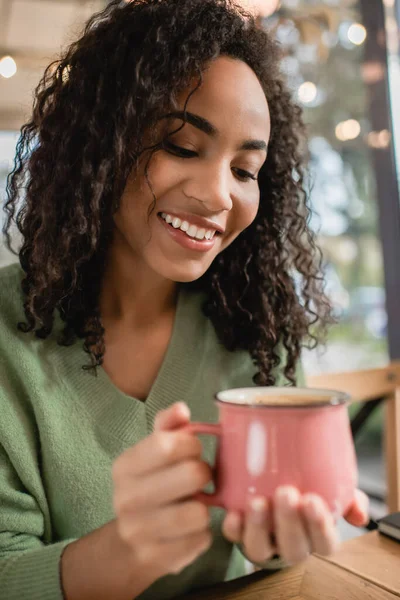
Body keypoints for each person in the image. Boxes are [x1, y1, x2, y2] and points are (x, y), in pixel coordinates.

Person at [0, 1, 368, 599]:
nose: (218, 195)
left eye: (246, 169)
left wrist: (274, 539)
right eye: (180, 146)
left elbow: (267, 554)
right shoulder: (6, 338)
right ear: (101, 143)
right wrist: (127, 551)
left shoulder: (256, 329)